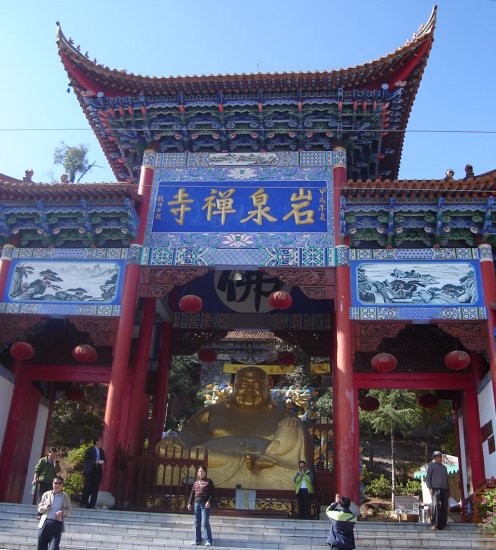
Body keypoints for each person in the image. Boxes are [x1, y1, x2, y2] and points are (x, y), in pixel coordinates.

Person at [169, 366, 311, 490]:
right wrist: (174, 444)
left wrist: (295, 427)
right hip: (214, 461)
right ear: (233, 386)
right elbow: (189, 436)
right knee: (173, 453)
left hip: (264, 465)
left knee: (293, 433)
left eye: (256, 386)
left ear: (268, 388)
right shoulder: (212, 411)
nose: (249, 391)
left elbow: (300, 450)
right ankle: (240, 461)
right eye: (242, 385)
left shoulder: (284, 415)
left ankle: (260, 461)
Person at [37, 475, 72, 550]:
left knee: (54, 547)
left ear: (62, 485)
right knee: (41, 547)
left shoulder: (65, 497)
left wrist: (62, 512)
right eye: (55, 483)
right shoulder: (46, 494)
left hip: (57, 524)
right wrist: (46, 508)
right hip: (45, 523)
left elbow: (70, 511)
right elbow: (39, 509)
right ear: (52, 484)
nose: (57, 485)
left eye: (59, 483)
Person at [187, 466, 214, 547]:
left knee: (205, 522)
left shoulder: (209, 482)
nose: (200, 473)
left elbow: (212, 493)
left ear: (205, 472)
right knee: (196, 522)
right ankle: (197, 539)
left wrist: (209, 501)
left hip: (205, 504)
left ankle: (208, 540)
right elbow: (192, 493)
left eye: (202, 471)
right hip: (196, 504)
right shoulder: (196, 482)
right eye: (199, 471)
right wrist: (189, 503)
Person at [425, 450, 449, 530]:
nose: (440, 458)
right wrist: (430, 488)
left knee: (445, 506)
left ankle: (443, 525)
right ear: (435, 458)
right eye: (438, 456)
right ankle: (434, 524)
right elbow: (428, 478)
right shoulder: (431, 466)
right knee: (435, 505)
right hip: (435, 488)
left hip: (445, 489)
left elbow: (447, 479)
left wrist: (449, 490)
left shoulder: (444, 467)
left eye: (440, 456)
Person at [81, 437, 105, 509]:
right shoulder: (90, 450)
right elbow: (86, 459)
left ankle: (92, 504)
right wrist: (95, 462)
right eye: (100, 441)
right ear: (96, 442)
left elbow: (103, 459)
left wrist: (102, 461)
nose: (101, 442)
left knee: (95, 488)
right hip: (90, 471)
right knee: (88, 487)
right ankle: (84, 502)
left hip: (98, 471)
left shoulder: (101, 451)